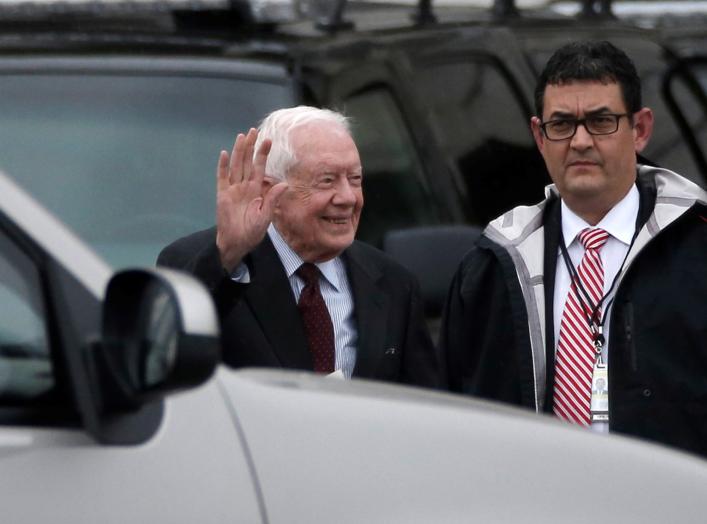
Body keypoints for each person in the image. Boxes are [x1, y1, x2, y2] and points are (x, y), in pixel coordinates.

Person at [440, 41, 707, 456]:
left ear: (640, 130)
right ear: (538, 135)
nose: (580, 141)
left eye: (601, 121)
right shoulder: (491, 266)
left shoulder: (697, 249)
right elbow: (452, 416)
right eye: (562, 124)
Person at [158, 106, 440, 388]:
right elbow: (168, 357)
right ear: (270, 192)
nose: (347, 198)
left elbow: (426, 407)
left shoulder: (393, 284)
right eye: (327, 181)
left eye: (355, 179)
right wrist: (229, 254)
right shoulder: (213, 264)